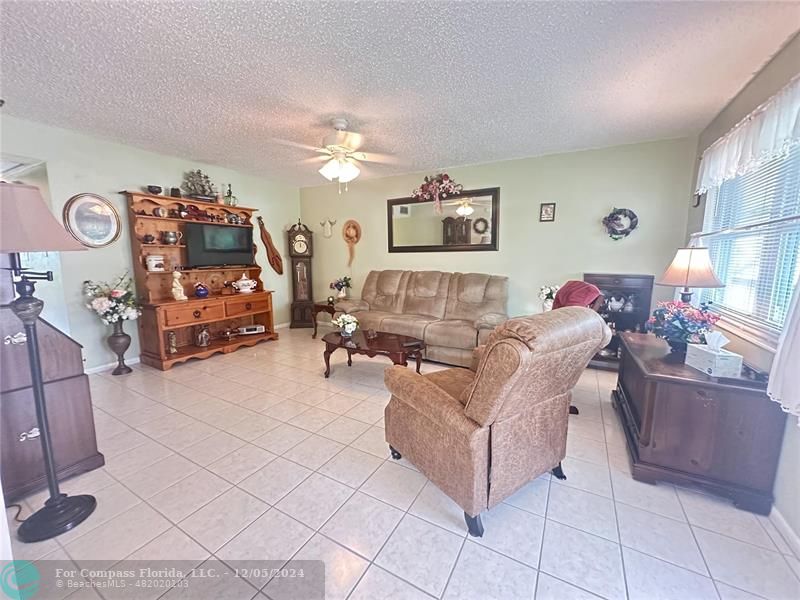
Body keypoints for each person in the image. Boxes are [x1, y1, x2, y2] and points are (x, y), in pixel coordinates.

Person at [552, 280, 606, 416]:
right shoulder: (584, 295)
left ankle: (560, 400)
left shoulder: (578, 292)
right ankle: (559, 402)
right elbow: (574, 317)